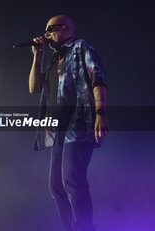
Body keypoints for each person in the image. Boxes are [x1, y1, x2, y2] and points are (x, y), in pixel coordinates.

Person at [29, 15, 108, 231]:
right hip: (57, 130)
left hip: (79, 124)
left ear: (65, 29)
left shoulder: (81, 47)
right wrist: (38, 57)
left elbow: (97, 78)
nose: (46, 35)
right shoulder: (55, 59)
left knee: (72, 180)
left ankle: (84, 228)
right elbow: (34, 88)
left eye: (49, 30)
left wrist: (100, 112)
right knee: (56, 187)